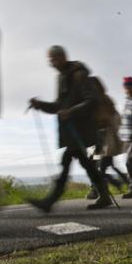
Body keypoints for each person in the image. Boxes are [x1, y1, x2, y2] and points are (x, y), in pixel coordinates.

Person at [26, 46, 113, 212]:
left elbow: (92, 100)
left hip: (82, 130)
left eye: (53, 59)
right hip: (71, 132)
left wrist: (71, 112)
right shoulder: (61, 77)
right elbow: (59, 106)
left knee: (69, 162)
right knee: (87, 164)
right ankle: (104, 196)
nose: (51, 63)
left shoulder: (79, 74)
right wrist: (40, 105)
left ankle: (50, 201)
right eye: (49, 60)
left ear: (63, 56)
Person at [85, 76, 128, 199]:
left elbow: (112, 119)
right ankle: (107, 186)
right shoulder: (91, 100)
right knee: (94, 165)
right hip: (96, 138)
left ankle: (97, 190)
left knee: (98, 166)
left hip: (105, 139)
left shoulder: (105, 100)